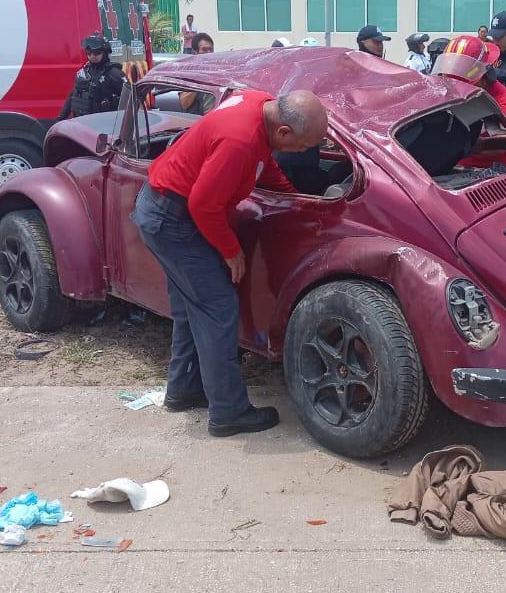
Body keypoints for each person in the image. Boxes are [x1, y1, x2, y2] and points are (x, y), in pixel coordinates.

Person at [132, 90, 329, 436]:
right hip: (173, 218)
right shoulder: (238, 139)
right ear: (283, 131)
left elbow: (262, 161)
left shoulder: (260, 105)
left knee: (189, 304)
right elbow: (203, 205)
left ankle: (185, 389)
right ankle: (228, 412)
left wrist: (293, 196)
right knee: (217, 306)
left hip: (167, 208)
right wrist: (230, 250)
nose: (302, 153)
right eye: (302, 146)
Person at [432, 35, 506, 168]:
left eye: (464, 86)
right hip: (453, 170)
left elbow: (497, 146)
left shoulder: (502, 102)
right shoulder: (452, 95)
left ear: (485, 76)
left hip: (489, 176)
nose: (457, 91)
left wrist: (457, 146)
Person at [58, 33, 126, 120]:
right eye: (89, 53)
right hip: (83, 124)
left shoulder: (113, 73)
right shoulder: (83, 72)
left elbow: (131, 98)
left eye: (96, 53)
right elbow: (72, 96)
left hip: (106, 125)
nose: (92, 56)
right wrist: (60, 118)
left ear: (105, 52)